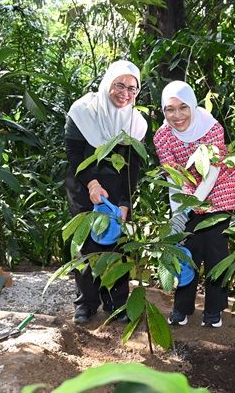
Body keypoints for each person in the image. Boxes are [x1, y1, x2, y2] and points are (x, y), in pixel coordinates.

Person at [65, 60, 147, 324]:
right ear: (107, 83)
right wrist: (91, 183)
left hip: (118, 189)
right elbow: (74, 154)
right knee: (86, 247)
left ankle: (117, 302)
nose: (125, 93)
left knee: (117, 246)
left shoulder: (136, 123)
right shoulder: (82, 111)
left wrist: (125, 202)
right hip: (82, 185)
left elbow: (133, 167)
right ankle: (85, 303)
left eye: (132, 89)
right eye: (119, 85)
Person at [153, 80, 235, 328]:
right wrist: (178, 214)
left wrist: (188, 207)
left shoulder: (212, 128)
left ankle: (214, 309)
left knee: (215, 251)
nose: (177, 115)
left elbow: (211, 174)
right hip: (185, 193)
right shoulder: (162, 136)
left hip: (218, 191)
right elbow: (173, 177)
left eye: (183, 107)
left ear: (192, 106)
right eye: (170, 109)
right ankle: (182, 307)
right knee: (185, 251)